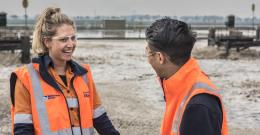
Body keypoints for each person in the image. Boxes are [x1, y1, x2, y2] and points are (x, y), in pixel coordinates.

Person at [10, 7, 119, 135]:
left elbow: (100, 118)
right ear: (47, 42)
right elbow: (23, 129)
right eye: (63, 39)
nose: (70, 44)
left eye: (73, 38)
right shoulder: (26, 78)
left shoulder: (84, 74)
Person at [145, 17, 228, 135]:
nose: (147, 59)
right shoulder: (185, 84)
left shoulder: (198, 107)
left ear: (160, 57)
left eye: (148, 52)